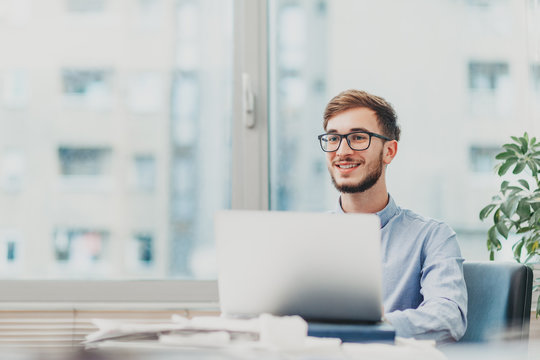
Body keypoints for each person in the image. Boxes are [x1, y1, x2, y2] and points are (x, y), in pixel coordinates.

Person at [319, 89, 467, 344]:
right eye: (333, 139)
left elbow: (448, 318)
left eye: (357, 137)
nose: (342, 151)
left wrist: (364, 328)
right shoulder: (308, 236)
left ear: (389, 151)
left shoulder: (432, 236)